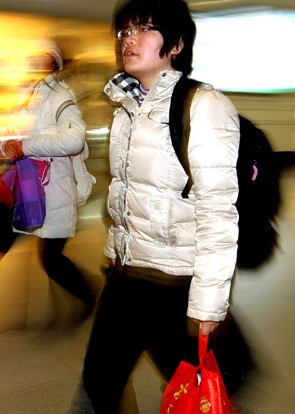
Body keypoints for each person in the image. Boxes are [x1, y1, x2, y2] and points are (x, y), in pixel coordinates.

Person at [73, 0, 241, 411]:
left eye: (144, 28)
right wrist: (115, 251)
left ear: (177, 43)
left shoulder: (203, 105)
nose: (129, 38)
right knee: (99, 386)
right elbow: (127, 193)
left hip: (175, 285)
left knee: (197, 396)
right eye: (124, 31)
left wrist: (209, 303)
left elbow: (219, 211)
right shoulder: (126, 108)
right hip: (126, 276)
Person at [0, 40, 97, 337]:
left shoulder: (61, 97)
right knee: (17, 252)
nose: (35, 64)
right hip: (26, 188)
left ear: (54, 64)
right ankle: (13, 315)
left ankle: (89, 297)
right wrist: (8, 144)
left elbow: (74, 141)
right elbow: (9, 132)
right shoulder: (25, 96)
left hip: (55, 190)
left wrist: (26, 144)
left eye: (43, 59)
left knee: (51, 258)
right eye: (33, 58)